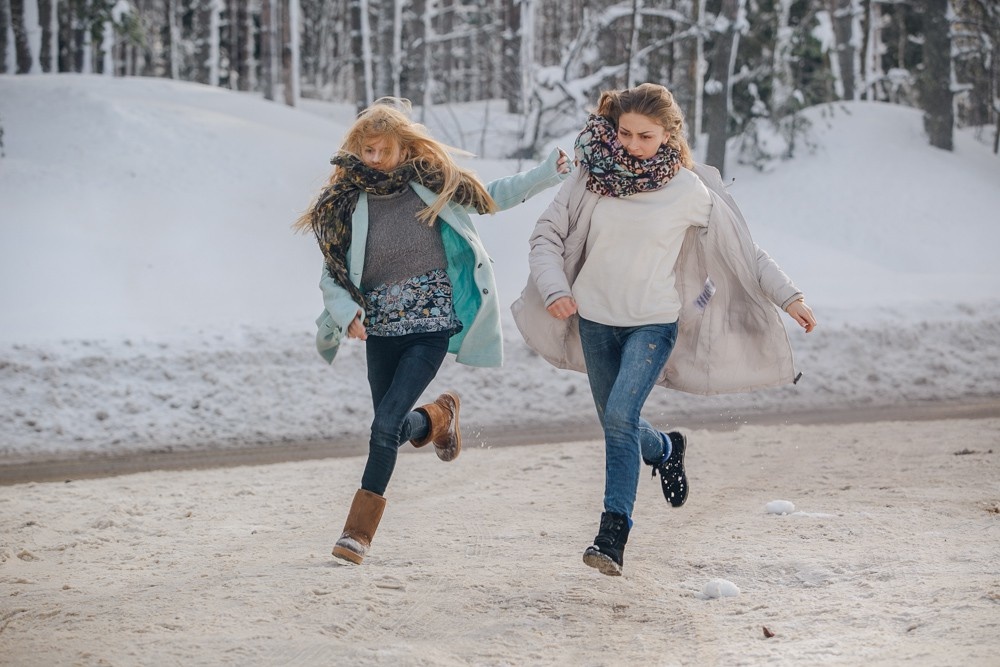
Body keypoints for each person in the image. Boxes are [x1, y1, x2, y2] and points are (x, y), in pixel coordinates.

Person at [511, 83, 817, 577]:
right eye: (625, 133)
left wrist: (790, 296)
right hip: (592, 320)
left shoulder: (689, 190)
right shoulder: (594, 178)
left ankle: (612, 535)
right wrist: (554, 289)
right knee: (620, 420)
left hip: (653, 324)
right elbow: (546, 236)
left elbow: (744, 251)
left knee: (618, 419)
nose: (631, 145)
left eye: (645, 136)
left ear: (669, 134)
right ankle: (668, 448)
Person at [294, 98, 572, 565]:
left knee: (383, 427)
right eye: (367, 151)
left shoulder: (433, 184)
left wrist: (546, 172)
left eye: (383, 149)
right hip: (381, 330)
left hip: (431, 327)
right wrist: (347, 313)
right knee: (390, 426)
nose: (375, 159)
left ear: (404, 147)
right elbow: (332, 272)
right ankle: (439, 418)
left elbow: (492, 196)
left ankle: (356, 534)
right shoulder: (347, 203)